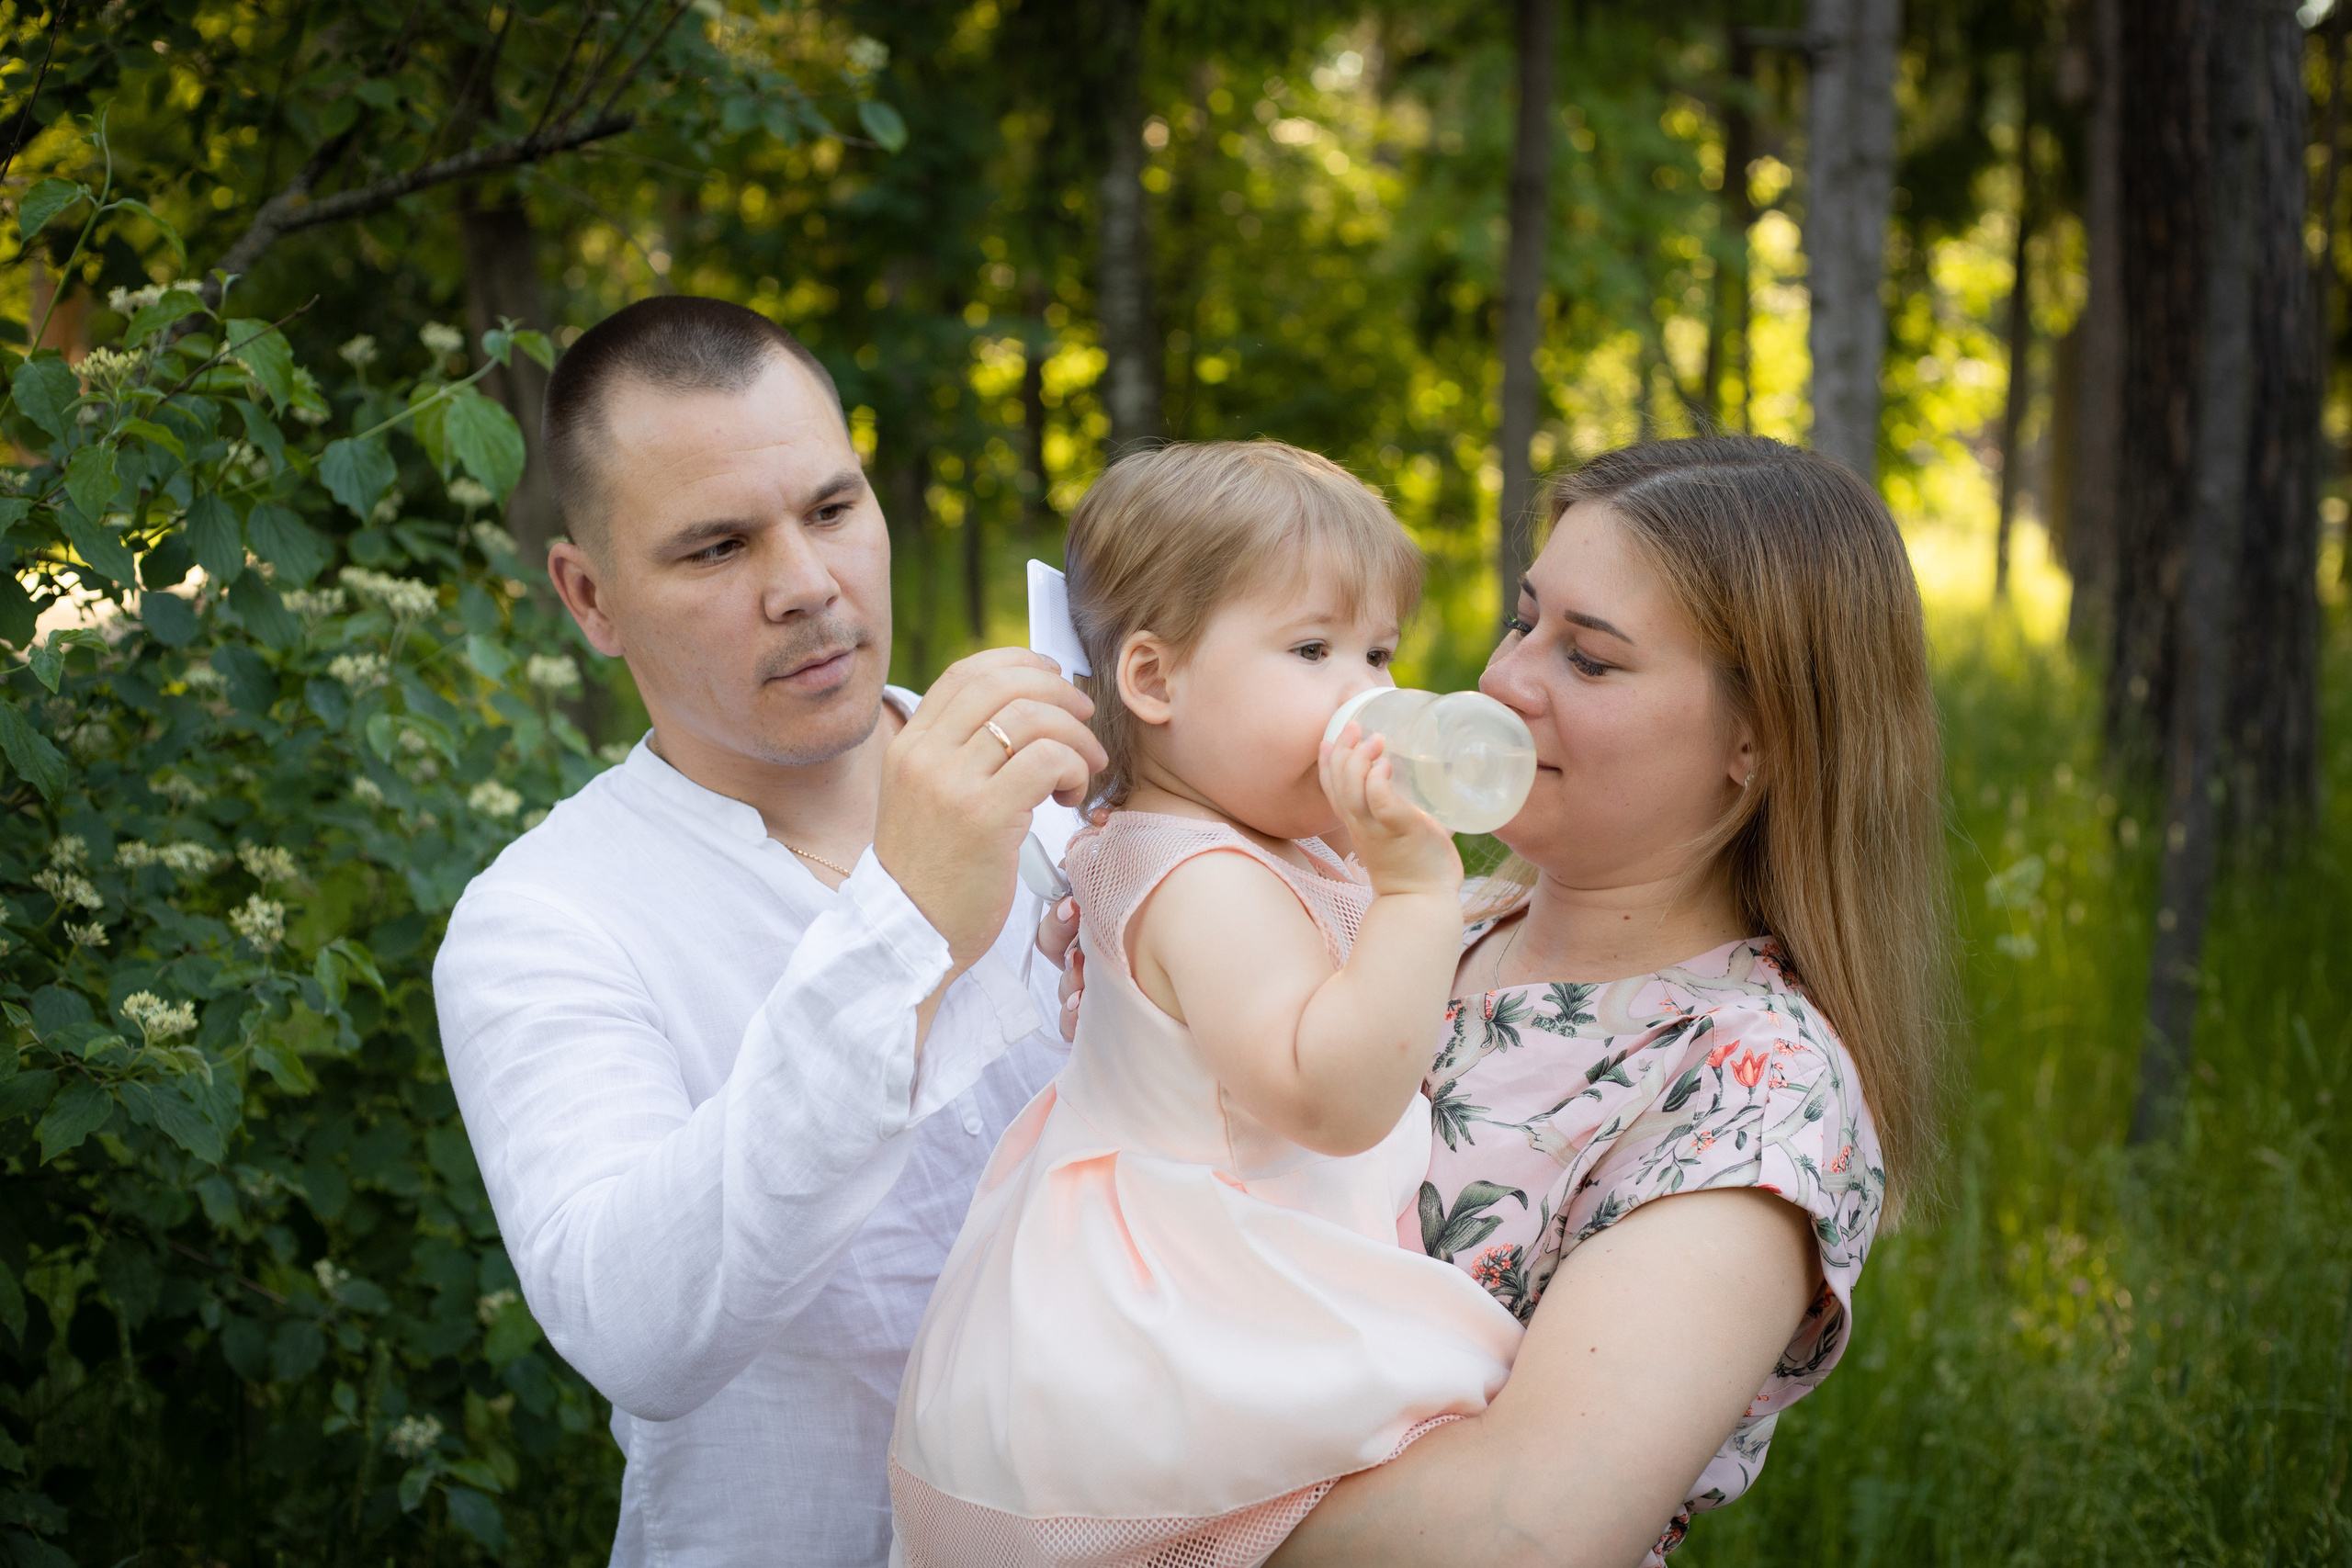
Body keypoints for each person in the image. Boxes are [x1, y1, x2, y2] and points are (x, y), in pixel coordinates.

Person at [1048, 435, 1950, 1566]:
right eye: (1524, 621)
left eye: (1591, 660)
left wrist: (1108, 1524)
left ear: (1755, 738)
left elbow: (1522, 1531)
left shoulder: (1750, 1086)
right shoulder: (1436, 917)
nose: (1502, 680)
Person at [432, 295, 1107, 1567]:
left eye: (835, 508)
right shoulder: (543, 918)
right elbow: (637, 1325)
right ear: (589, 594)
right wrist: (902, 928)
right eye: (716, 547)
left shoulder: (1071, 781)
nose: (807, 585)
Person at [889, 442, 1521, 1566]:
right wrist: (1416, 893)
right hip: (1183, 1304)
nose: (1368, 695)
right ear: (1154, 681)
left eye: (1380, 651)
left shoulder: (1217, 837)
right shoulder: (1208, 880)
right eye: (1313, 649)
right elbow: (1330, 1099)